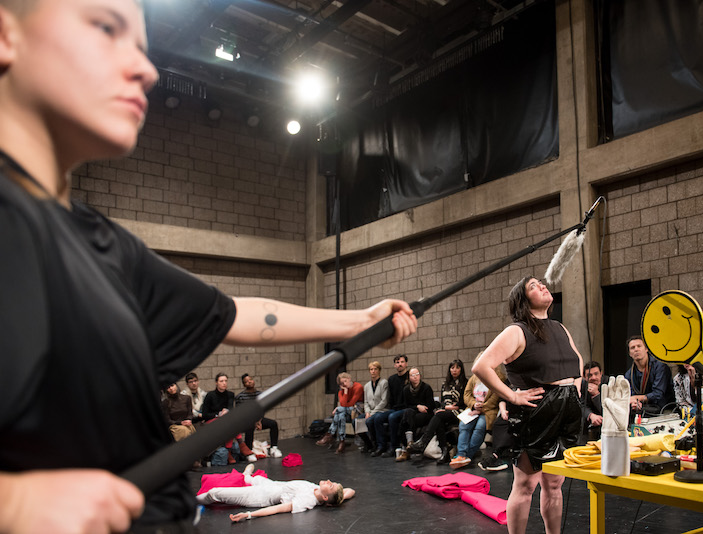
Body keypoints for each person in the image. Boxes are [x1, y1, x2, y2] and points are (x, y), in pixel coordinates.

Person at [0, 1, 418, 528]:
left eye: (144, 47)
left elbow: (234, 314)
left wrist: (361, 321)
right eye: (106, 27)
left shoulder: (102, 244)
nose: (146, 69)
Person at [472, 276, 580, 534]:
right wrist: (512, 396)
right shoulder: (516, 331)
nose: (543, 286)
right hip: (536, 412)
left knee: (554, 484)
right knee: (526, 485)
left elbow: (576, 361)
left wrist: (575, 386)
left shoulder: (560, 328)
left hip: (565, 410)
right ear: (522, 300)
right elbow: (481, 367)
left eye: (541, 283)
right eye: (533, 286)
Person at [197, 464, 355, 521]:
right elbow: (350, 491)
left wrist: (249, 515)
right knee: (251, 478)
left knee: (215, 493)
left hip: (259, 496)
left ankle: (190, 501)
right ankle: (247, 475)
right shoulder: (316, 488)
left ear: (325, 497)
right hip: (270, 484)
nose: (329, 481)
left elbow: (277, 509)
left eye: (331, 486)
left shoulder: (307, 500)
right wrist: (339, 499)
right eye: (333, 482)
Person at [407, 358, 468, 464]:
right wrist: (445, 407)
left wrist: (453, 407)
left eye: (457, 368)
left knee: (439, 416)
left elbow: (465, 400)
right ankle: (444, 451)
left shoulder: (465, 383)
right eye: (452, 367)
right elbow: (442, 400)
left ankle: (423, 442)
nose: (454, 370)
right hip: (446, 410)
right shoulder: (445, 384)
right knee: (439, 418)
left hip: (460, 411)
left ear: (461, 369)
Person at [450, 364, 504, 469]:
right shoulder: (474, 377)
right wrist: (474, 404)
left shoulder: (499, 377)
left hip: (488, 411)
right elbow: (467, 394)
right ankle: (461, 455)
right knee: (464, 426)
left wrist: (481, 409)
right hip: (473, 409)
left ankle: (467, 456)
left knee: (480, 427)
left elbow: (496, 397)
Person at [368, 354, 410, 457]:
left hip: (407, 408)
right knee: (377, 418)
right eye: (397, 362)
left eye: (402, 362)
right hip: (395, 408)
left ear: (406, 364)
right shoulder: (391, 379)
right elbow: (390, 398)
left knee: (392, 417)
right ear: (395, 365)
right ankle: (381, 446)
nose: (399, 364)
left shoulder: (410, 377)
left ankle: (394, 447)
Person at [624, 336, 674, 416]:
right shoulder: (629, 374)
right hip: (642, 408)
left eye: (639, 346)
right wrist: (635, 402)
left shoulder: (660, 366)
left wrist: (636, 398)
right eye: (632, 348)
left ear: (646, 349)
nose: (636, 349)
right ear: (630, 354)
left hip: (663, 408)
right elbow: (631, 394)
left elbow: (658, 394)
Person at [235, 373, 282, 458]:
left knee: (273, 424)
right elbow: (240, 414)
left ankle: (274, 448)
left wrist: (259, 421)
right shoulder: (240, 396)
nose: (249, 382)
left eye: (250, 380)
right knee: (250, 426)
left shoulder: (260, 394)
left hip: (258, 419)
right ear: (244, 385)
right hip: (246, 421)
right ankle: (249, 451)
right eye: (246, 381)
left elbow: (262, 409)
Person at [316, 372, 364, 454]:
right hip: (346, 410)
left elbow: (351, 403)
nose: (344, 384)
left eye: (345, 381)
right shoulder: (342, 390)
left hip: (358, 410)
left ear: (349, 379)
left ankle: (330, 434)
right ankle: (342, 441)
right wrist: (345, 391)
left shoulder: (358, 387)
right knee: (341, 415)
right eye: (342, 383)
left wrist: (338, 408)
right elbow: (343, 404)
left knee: (339, 411)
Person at [394, 368, 435, 461]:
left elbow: (431, 406)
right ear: (409, 377)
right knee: (407, 414)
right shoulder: (406, 389)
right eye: (413, 375)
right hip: (412, 413)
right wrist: (417, 407)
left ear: (420, 376)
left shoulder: (426, 387)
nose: (415, 377)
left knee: (405, 421)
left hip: (426, 413)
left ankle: (406, 449)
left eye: (417, 374)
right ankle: (410, 444)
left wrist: (421, 408)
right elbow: (406, 405)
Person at [361, 361, 389, 453]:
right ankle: (369, 444)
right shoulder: (366, 386)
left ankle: (379, 445)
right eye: (371, 369)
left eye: (375, 369)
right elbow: (365, 402)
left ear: (379, 370)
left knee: (370, 420)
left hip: (382, 410)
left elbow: (384, 401)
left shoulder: (384, 383)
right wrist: (367, 412)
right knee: (355, 421)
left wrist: (371, 413)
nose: (373, 371)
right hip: (370, 412)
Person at [579, 361, 608, 440]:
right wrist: (591, 415)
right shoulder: (582, 386)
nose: (594, 378)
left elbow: (608, 409)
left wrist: (596, 394)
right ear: (584, 377)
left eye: (596, 374)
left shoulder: (608, 383)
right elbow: (581, 405)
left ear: (601, 373)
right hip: (589, 421)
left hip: (606, 420)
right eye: (590, 375)